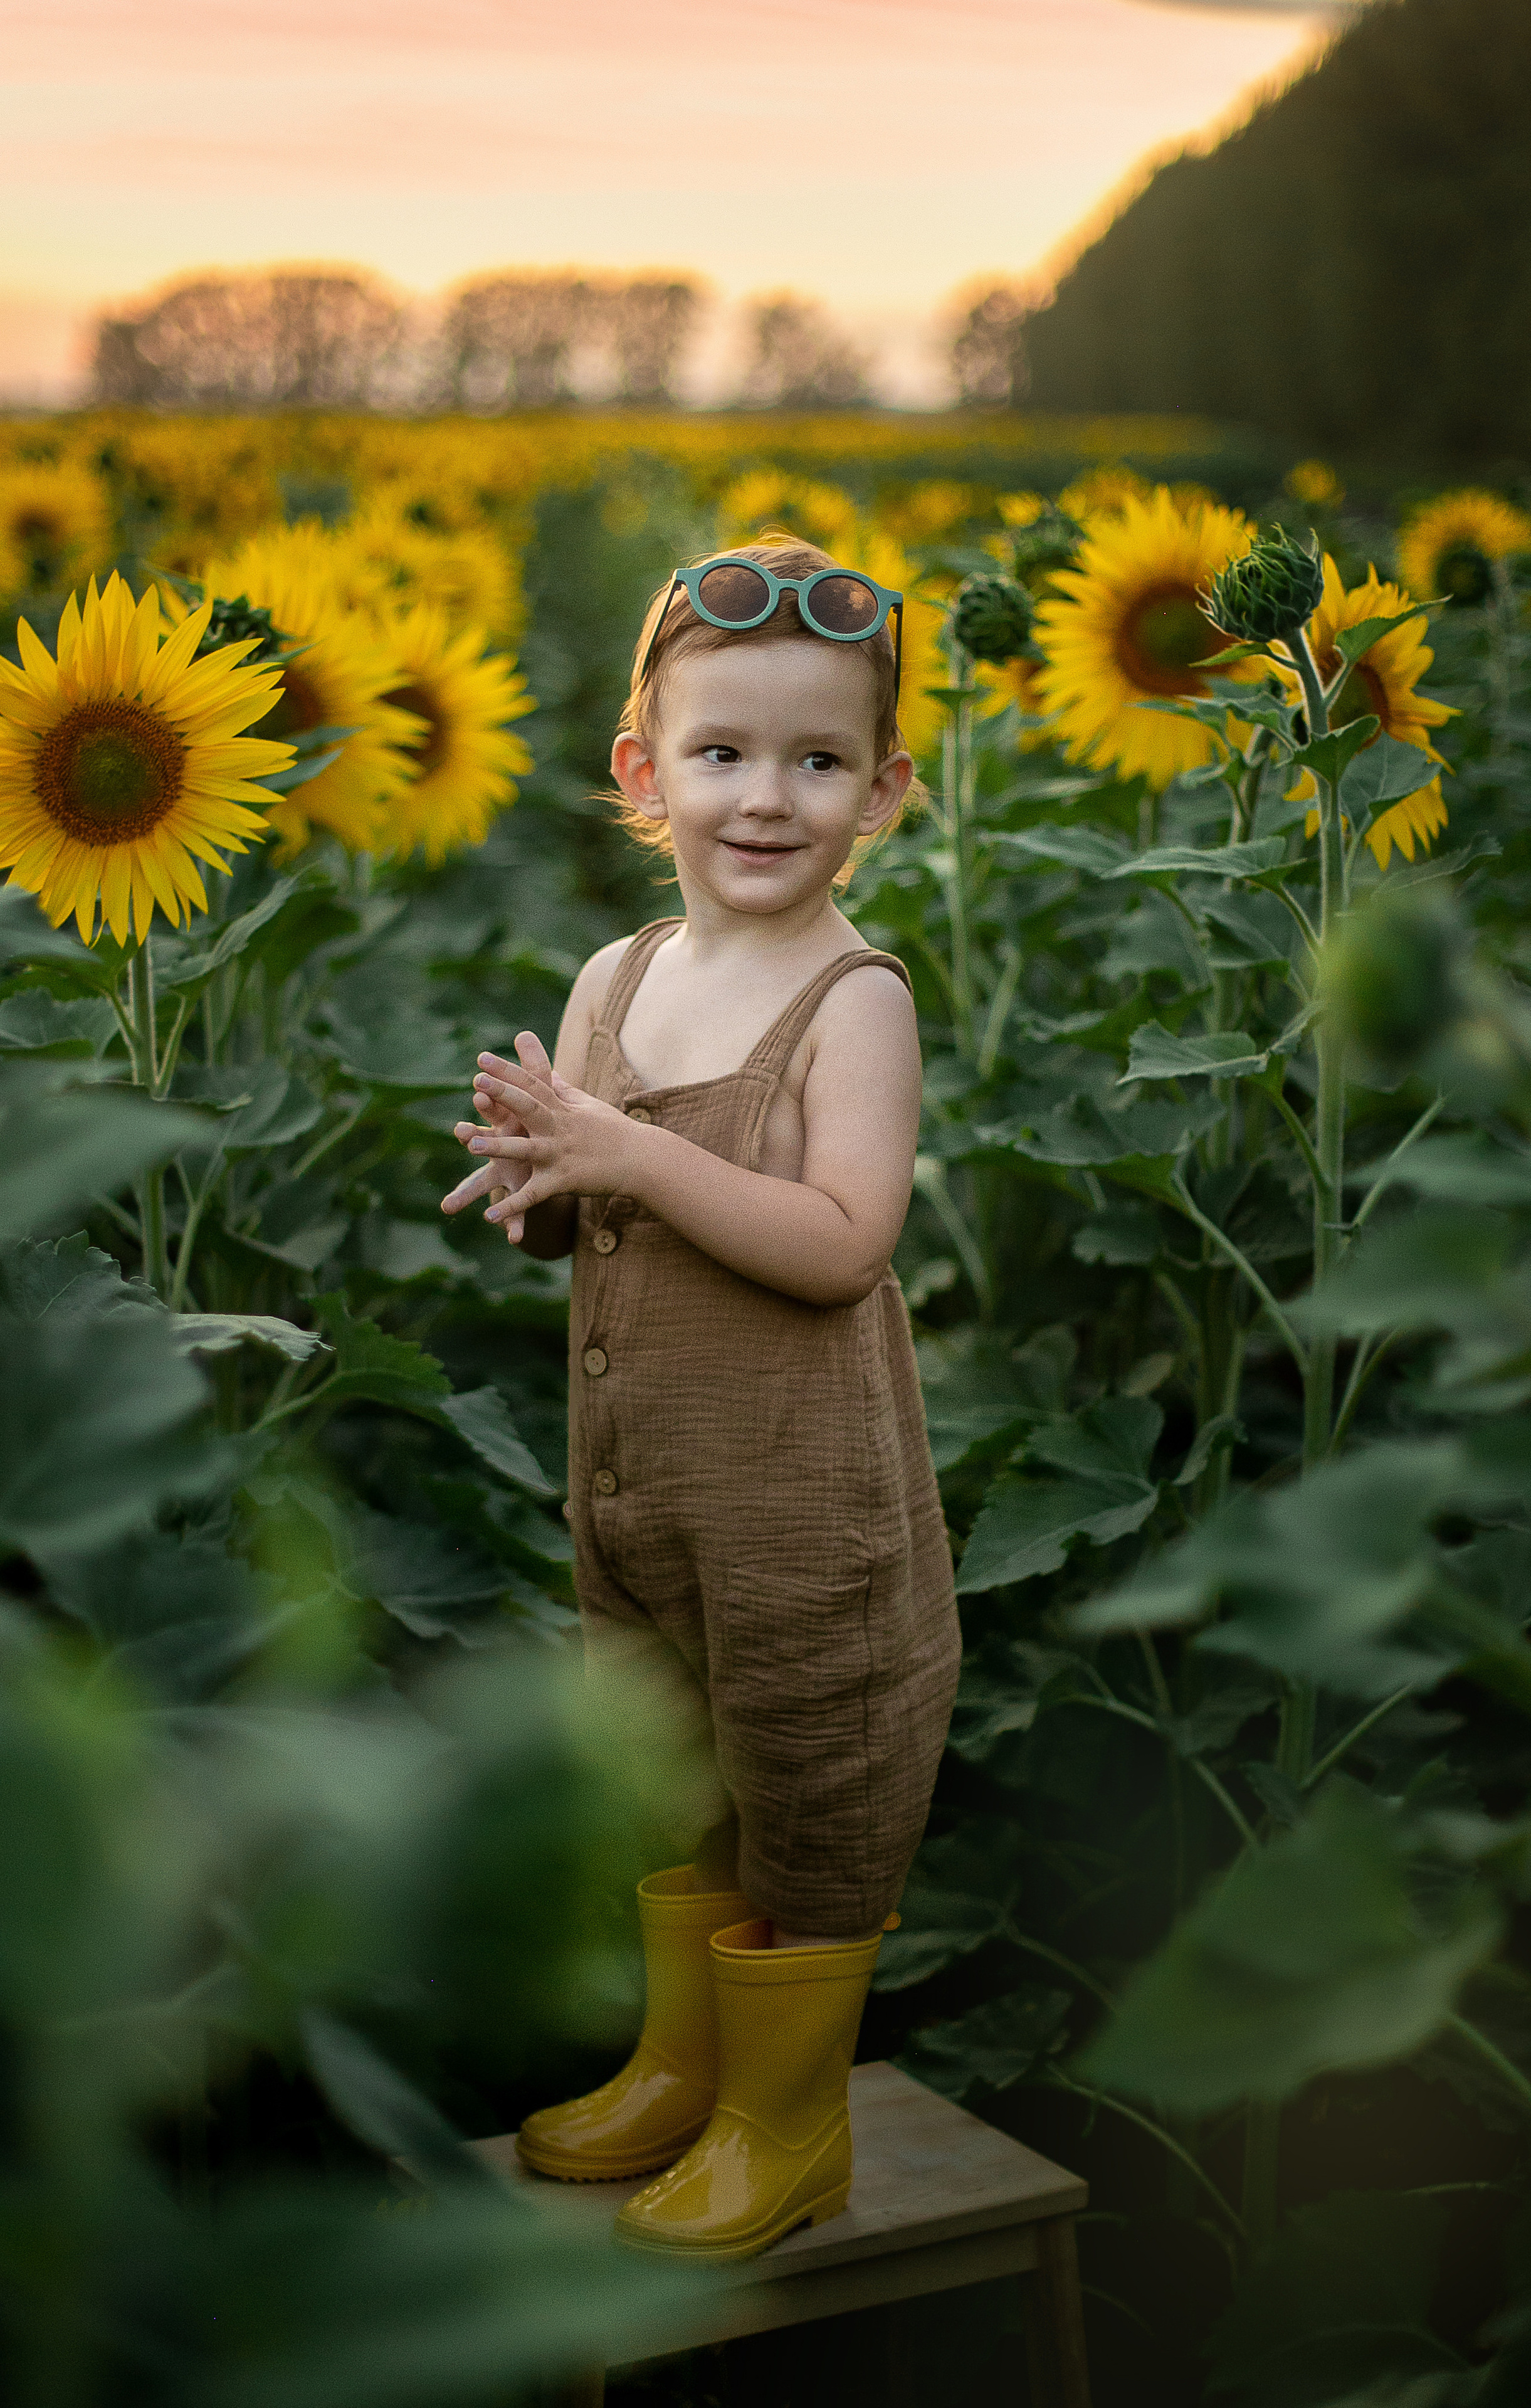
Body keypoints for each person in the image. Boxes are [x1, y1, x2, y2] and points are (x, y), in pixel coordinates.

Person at [441, 538, 960, 2261]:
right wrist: (544, 1188)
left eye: (818, 762)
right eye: (723, 753)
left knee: (810, 1779)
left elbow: (840, 1242)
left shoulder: (853, 1000)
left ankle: (788, 2120)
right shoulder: (617, 982)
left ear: (882, 789)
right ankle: (686, 2066)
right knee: (674, 1778)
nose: (766, 797)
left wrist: (630, 1154)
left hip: (802, 1516)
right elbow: (604, 1221)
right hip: (635, 1500)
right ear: (641, 770)